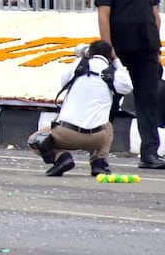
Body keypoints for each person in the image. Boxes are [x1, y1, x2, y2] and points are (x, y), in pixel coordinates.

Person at [95, 0, 165, 170]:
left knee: (148, 100)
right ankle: (99, 155)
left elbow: (155, 14)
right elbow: (104, 15)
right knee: (110, 102)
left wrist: (156, 49)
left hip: (146, 48)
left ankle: (150, 153)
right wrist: (108, 50)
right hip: (121, 49)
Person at [30, 40, 133, 177]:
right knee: (107, 125)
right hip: (97, 137)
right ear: (110, 57)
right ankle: (99, 163)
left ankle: (60, 158)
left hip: (66, 135)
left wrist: (80, 57)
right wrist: (116, 61)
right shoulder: (114, 73)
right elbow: (127, 87)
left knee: (35, 140)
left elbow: (64, 82)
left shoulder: (79, 65)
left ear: (90, 53)